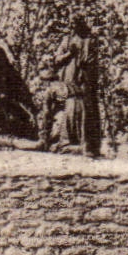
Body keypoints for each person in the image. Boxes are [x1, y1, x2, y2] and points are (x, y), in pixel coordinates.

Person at [50, 16, 103, 157]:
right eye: (71, 23)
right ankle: (67, 142)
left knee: (86, 110)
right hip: (69, 82)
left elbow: (93, 62)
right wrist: (69, 54)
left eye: (76, 23)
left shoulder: (90, 40)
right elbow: (57, 60)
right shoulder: (66, 40)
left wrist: (86, 71)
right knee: (70, 108)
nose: (73, 26)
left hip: (84, 82)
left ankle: (87, 144)